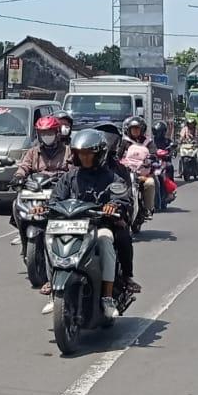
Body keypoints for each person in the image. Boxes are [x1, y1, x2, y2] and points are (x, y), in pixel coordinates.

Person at [46, 129, 134, 322]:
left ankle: (108, 296)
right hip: (71, 226)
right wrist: (43, 209)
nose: (84, 158)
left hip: (98, 225)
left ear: (99, 154)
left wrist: (114, 205)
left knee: (105, 241)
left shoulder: (112, 178)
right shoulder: (69, 177)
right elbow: (55, 199)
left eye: (89, 153)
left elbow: (121, 196)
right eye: (81, 154)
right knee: (49, 237)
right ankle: (53, 286)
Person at [13, 116, 72, 185]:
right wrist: (19, 176)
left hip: (60, 186)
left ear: (57, 133)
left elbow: (74, 171)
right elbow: (24, 166)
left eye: (50, 133)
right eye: (43, 133)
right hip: (36, 187)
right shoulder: (33, 152)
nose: (46, 136)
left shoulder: (68, 151)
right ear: (39, 135)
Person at [120, 118, 155, 218]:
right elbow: (118, 155)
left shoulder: (148, 142)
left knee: (150, 183)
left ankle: (148, 209)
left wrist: (150, 159)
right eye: (133, 128)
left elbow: (154, 154)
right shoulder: (124, 142)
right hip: (126, 173)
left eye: (137, 128)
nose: (135, 131)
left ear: (142, 130)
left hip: (142, 174)